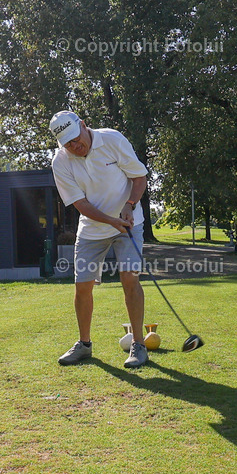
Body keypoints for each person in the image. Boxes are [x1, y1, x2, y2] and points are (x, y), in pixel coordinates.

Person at [49, 110, 150, 368]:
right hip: (93, 229)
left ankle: (138, 345)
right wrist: (110, 221)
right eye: (68, 143)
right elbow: (80, 204)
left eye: (76, 138)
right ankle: (84, 345)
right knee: (82, 285)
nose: (75, 146)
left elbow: (139, 177)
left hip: (129, 223)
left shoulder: (113, 140)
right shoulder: (60, 162)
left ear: (83, 125)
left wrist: (129, 204)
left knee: (129, 277)